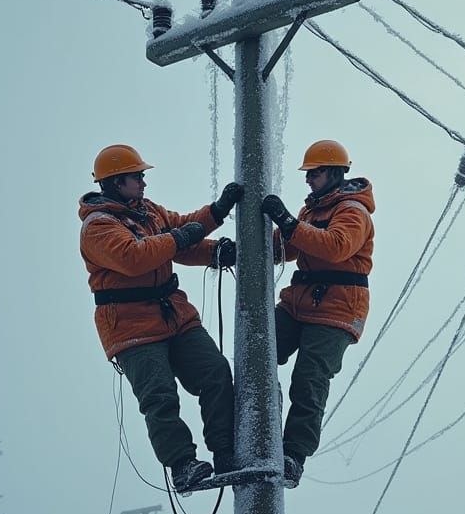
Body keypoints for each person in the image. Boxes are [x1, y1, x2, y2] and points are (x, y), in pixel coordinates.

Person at [79, 144, 243, 493]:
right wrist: (183, 236)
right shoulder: (97, 227)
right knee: (160, 396)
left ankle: (226, 453)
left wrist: (216, 218)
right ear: (114, 182)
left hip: (172, 313)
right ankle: (183, 465)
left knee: (214, 371)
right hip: (131, 327)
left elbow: (181, 233)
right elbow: (136, 257)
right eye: (136, 176)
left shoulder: (147, 212)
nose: (143, 182)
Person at [261, 139, 375, 487]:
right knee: (260, 353)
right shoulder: (313, 210)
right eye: (308, 174)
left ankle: (293, 456)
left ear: (336, 173)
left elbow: (337, 246)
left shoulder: (353, 211)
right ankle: (261, 420)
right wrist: (249, 246)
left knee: (309, 380)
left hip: (338, 308)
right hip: (302, 302)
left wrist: (285, 219)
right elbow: (292, 246)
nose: (309, 180)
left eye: (315, 173)